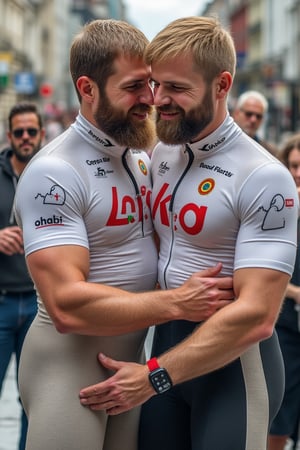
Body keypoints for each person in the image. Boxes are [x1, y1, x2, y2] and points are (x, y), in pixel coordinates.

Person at [79, 17, 299, 450]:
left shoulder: (264, 175)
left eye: (177, 88)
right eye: (156, 84)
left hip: (235, 366)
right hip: (167, 347)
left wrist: (152, 376)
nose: (160, 100)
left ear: (222, 85)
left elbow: (258, 314)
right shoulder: (162, 152)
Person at [13, 19, 234, 450]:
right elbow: (65, 306)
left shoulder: (136, 155)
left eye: (150, 84)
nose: (149, 99)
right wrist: (176, 303)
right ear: (88, 88)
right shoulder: (54, 171)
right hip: (69, 368)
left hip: (130, 363)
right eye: (134, 87)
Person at [0, 102, 45, 450]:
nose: (26, 138)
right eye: (19, 132)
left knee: (32, 401)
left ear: (42, 133)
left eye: (32, 131)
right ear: (9, 135)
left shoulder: (54, 173)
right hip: (0, 302)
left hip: (38, 304)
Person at [268, 134, 300, 450]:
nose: (299, 173)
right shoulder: (276, 208)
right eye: (294, 166)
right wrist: (292, 292)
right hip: (285, 326)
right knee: (279, 415)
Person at [232, 90, 278, 156]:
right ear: (236, 113)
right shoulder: (219, 145)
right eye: (249, 114)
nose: (253, 120)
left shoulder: (269, 153)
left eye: (258, 116)